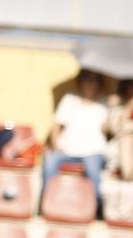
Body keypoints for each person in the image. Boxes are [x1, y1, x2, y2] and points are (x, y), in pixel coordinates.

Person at [44, 69, 110, 210]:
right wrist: (55, 145)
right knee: (49, 161)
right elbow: (56, 126)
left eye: (96, 80)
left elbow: (108, 130)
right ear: (80, 81)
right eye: (88, 79)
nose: (92, 83)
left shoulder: (104, 103)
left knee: (94, 174)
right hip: (66, 149)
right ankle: (46, 203)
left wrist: (114, 109)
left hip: (93, 151)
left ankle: (96, 209)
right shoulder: (70, 99)